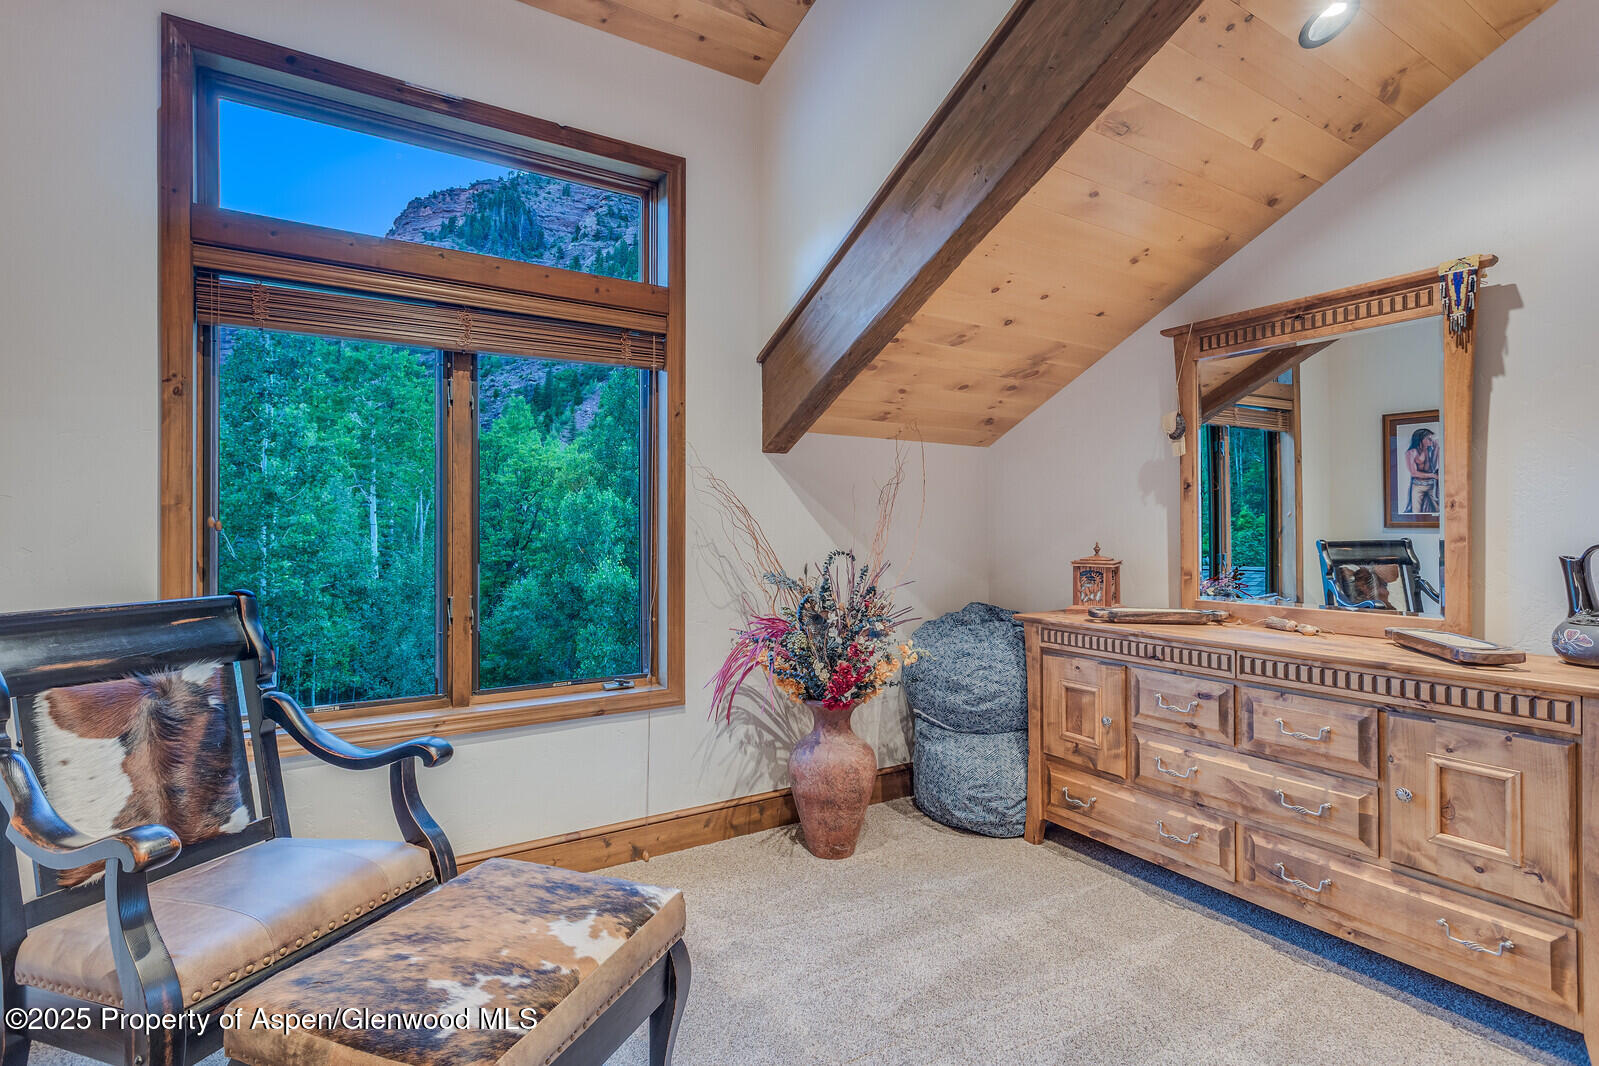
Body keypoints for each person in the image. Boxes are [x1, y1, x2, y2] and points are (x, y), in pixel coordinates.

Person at [1404, 427, 1440, 514]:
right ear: (1421, 439)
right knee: (1416, 511)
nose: (1431, 440)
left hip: (1432, 485)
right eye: (1428, 438)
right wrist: (1433, 475)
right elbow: (1414, 473)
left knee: (1439, 510)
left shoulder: (1432, 449)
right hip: (1418, 486)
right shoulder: (1411, 453)